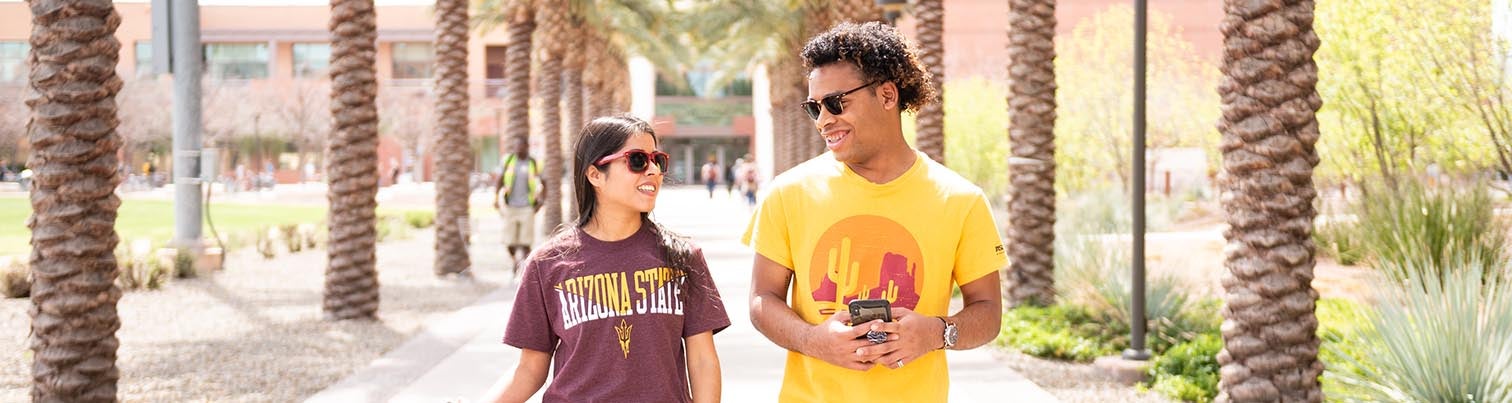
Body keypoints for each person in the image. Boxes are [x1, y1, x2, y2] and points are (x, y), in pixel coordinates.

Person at [742, 22, 1006, 403]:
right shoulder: (788, 193)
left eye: (836, 103)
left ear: (886, 95)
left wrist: (936, 333)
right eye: (814, 107)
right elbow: (762, 299)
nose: (823, 120)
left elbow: (988, 311)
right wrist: (813, 341)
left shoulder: (960, 199)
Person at [496, 115, 729, 403]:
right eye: (637, 160)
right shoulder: (548, 264)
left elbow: (703, 361)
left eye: (658, 160)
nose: (654, 171)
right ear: (595, 174)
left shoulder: (683, 257)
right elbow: (530, 369)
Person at [494, 145, 546, 276]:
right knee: (509, 241)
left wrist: (541, 200)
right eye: (516, 146)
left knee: (526, 241)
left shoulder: (532, 162)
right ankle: (515, 261)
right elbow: (499, 180)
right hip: (510, 207)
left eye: (520, 146)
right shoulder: (508, 161)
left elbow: (544, 180)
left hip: (527, 207)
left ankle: (524, 267)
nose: (518, 149)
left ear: (526, 148)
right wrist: (496, 198)